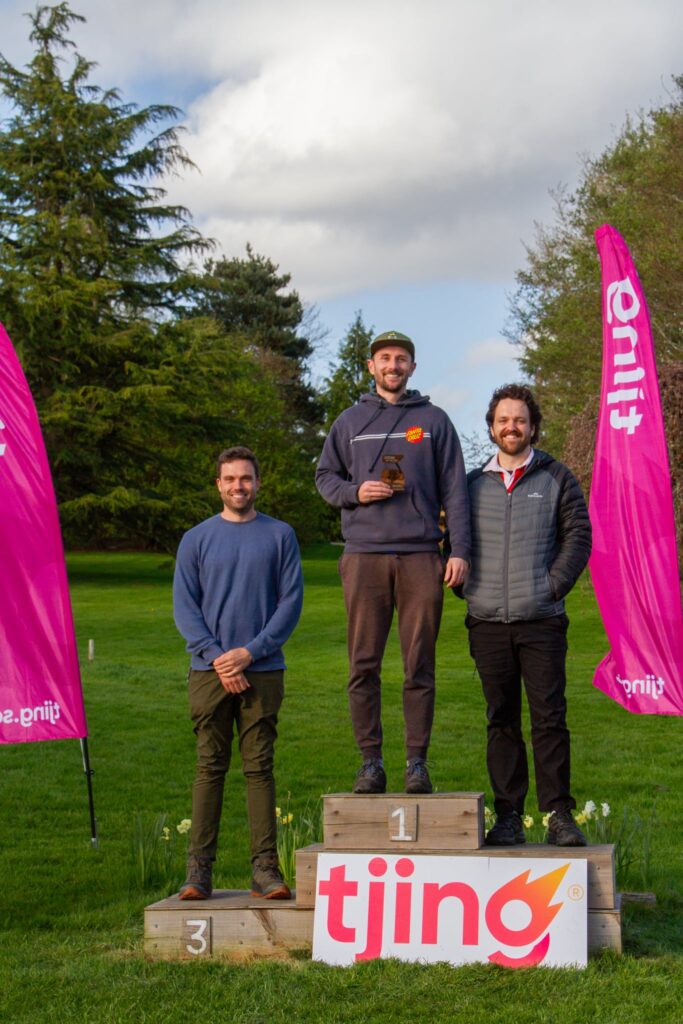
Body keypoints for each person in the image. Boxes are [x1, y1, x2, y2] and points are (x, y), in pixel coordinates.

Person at [315, 330, 470, 795]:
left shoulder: (434, 421)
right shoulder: (349, 422)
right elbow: (325, 476)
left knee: (419, 665)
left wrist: (458, 550)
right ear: (371, 366)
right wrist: (354, 492)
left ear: (412, 368)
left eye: (401, 358)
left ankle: (416, 763)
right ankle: (370, 762)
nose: (393, 365)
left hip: (421, 556)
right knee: (363, 665)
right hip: (364, 557)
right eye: (385, 358)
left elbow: (456, 491)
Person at [461, 383, 591, 846]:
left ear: (533, 425)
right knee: (501, 719)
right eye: (503, 420)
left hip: (542, 621)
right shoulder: (473, 483)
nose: (511, 427)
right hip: (488, 621)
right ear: (492, 427)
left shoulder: (557, 477)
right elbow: (454, 542)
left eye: (519, 420)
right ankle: (509, 816)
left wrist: (550, 586)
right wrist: (467, 586)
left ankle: (559, 814)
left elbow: (579, 536)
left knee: (550, 717)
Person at [173, 446, 303, 899]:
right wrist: (218, 657)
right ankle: (198, 873)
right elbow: (185, 608)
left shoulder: (280, 536)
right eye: (230, 479)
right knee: (210, 767)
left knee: (259, 768)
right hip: (209, 672)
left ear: (258, 483)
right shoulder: (196, 539)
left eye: (245, 478)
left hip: (263, 669)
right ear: (218, 485)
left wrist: (250, 653)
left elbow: (290, 605)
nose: (238, 486)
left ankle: (265, 870)